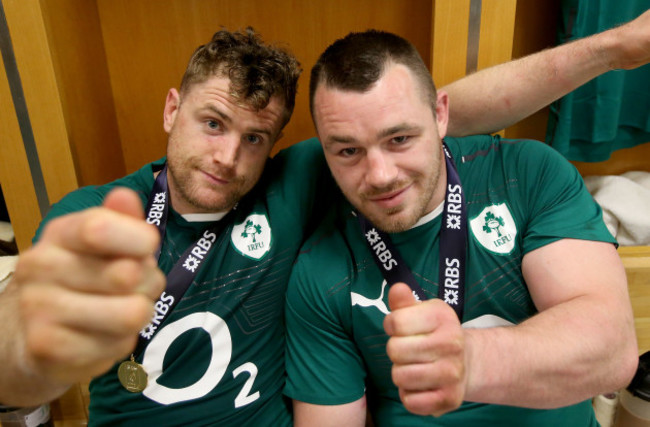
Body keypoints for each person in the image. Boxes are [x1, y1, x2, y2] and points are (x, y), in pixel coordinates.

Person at [1, 9, 649, 426]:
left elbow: (444, 108)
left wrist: (617, 48)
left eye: (256, 137)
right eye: (212, 122)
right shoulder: (96, 216)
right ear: (174, 109)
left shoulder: (291, 186)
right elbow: (20, 343)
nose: (228, 156)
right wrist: (28, 341)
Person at [283, 28, 643, 427]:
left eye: (399, 138)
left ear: (440, 114)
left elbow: (611, 350)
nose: (380, 175)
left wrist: (467, 359)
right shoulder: (320, 270)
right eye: (348, 151)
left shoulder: (524, 176)